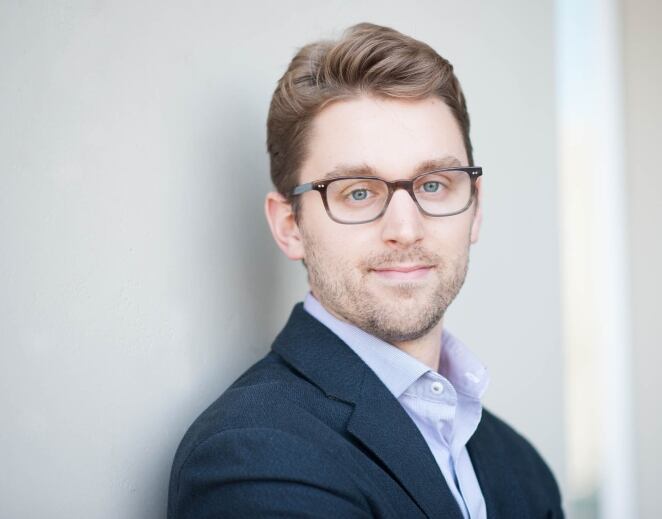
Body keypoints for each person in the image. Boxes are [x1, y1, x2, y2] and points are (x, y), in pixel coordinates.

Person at [168, 22, 562, 519]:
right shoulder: (255, 456)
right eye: (357, 191)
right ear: (290, 225)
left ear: (475, 208)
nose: (406, 228)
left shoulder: (520, 465)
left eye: (435, 185)